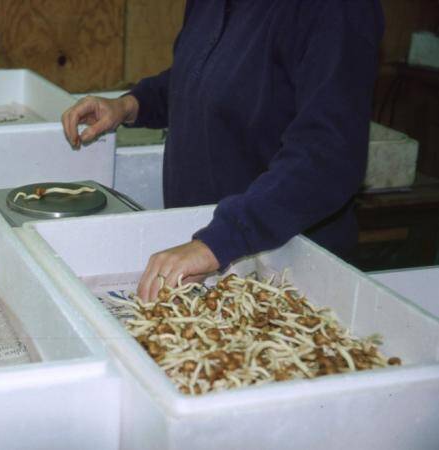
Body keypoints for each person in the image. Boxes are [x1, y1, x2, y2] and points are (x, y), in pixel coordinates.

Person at [61, 0, 384, 302]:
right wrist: (130, 105)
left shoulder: (338, 9)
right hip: (209, 250)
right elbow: (201, 77)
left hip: (286, 265)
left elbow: (329, 156)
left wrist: (220, 242)